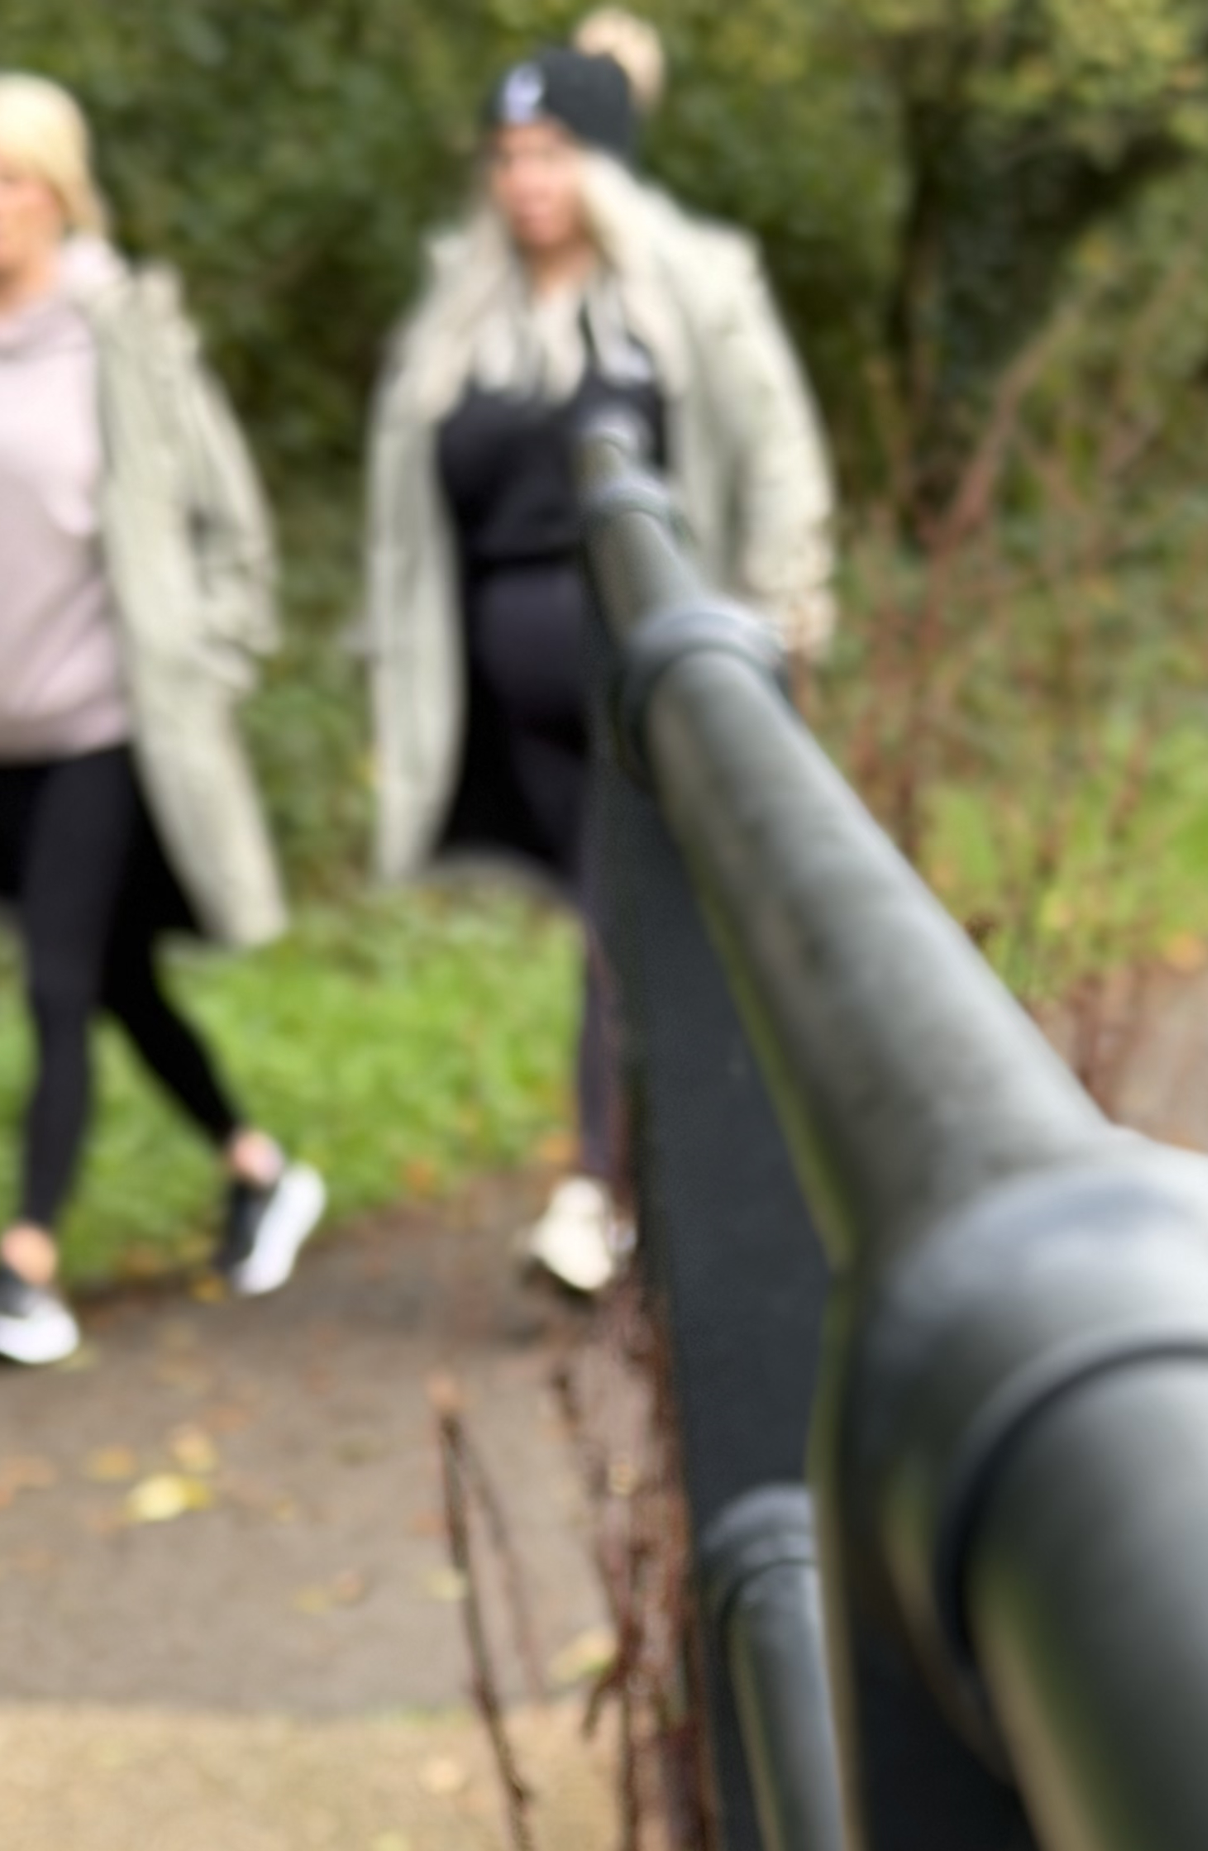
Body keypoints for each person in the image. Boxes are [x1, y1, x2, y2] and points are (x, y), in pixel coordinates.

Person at [0, 71, 324, 1367]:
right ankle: (259, 1167)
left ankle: (24, 1267)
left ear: (60, 191)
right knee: (115, 977)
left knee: (56, 985)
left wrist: (198, 670)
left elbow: (237, 534)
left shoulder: (122, 334)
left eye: (8, 179)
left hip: (106, 724)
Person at [365, 12, 834, 1296]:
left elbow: (777, 454)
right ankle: (673, 1179)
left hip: (645, 675)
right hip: (513, 687)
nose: (527, 183)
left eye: (553, 154)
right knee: (621, 926)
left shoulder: (684, 291)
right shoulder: (465, 314)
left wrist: (777, 625)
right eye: (508, 156)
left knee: (621, 923)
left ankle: (596, 1190)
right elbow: (411, 519)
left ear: (601, 167)